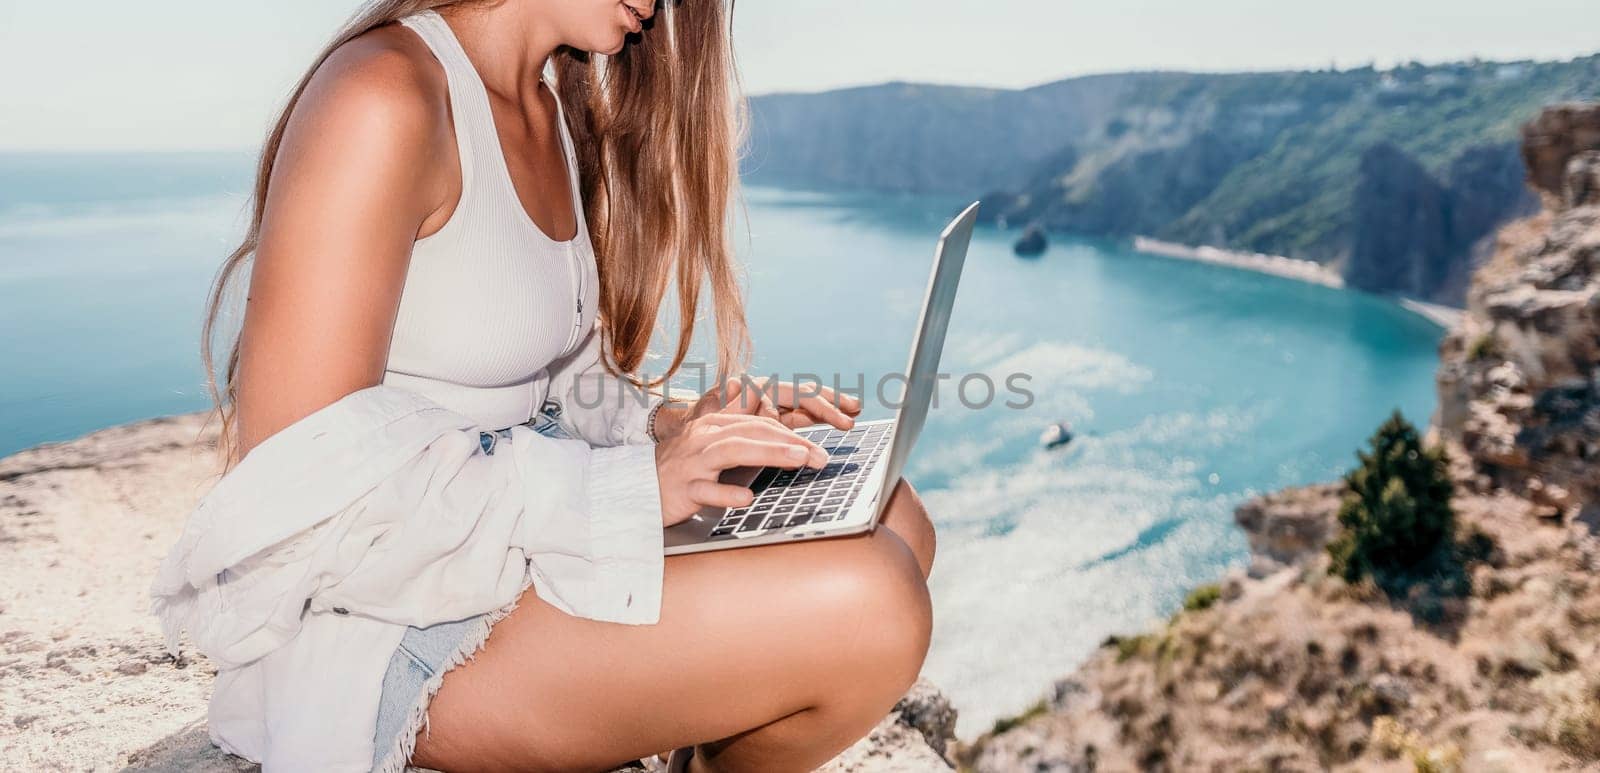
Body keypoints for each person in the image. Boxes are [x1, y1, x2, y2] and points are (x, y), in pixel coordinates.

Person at [184, 1, 937, 771]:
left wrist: (675, 431)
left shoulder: (542, 102)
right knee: (872, 603)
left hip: (505, 556)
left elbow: (550, 388)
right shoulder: (383, 97)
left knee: (894, 513)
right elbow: (294, 495)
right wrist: (629, 488)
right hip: (386, 623)